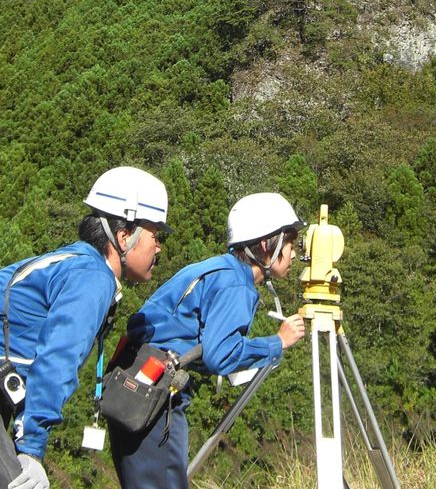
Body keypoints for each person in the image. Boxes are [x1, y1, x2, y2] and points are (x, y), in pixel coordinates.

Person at [109, 192, 307, 489]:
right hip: (155, 399)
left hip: (134, 387)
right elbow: (220, 355)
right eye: (290, 243)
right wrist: (277, 343)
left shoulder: (219, 269)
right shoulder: (235, 284)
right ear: (268, 244)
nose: (294, 254)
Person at [0, 166, 171, 489]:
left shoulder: (79, 264)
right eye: (155, 234)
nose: (158, 246)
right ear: (124, 236)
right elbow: (58, 357)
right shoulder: (92, 277)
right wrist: (31, 449)